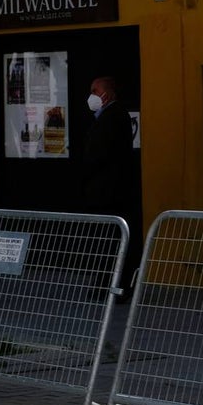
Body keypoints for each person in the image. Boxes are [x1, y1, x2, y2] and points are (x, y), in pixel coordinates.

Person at [80, 76, 138, 299]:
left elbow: (99, 155)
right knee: (106, 241)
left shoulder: (112, 117)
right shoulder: (106, 117)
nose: (91, 96)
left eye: (95, 91)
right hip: (107, 191)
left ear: (107, 94)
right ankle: (108, 284)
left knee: (110, 241)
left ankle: (113, 286)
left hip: (110, 192)